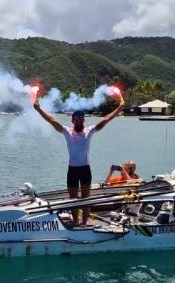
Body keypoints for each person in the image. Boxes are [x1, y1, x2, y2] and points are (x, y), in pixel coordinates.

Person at [33, 91, 125, 226]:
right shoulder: (67, 131)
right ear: (73, 121)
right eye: (77, 119)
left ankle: (84, 222)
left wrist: (119, 108)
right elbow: (51, 120)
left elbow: (105, 120)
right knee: (73, 200)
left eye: (82, 119)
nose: (80, 121)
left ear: (84, 120)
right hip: (73, 170)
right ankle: (76, 223)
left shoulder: (89, 131)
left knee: (86, 199)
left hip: (85, 169)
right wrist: (39, 108)